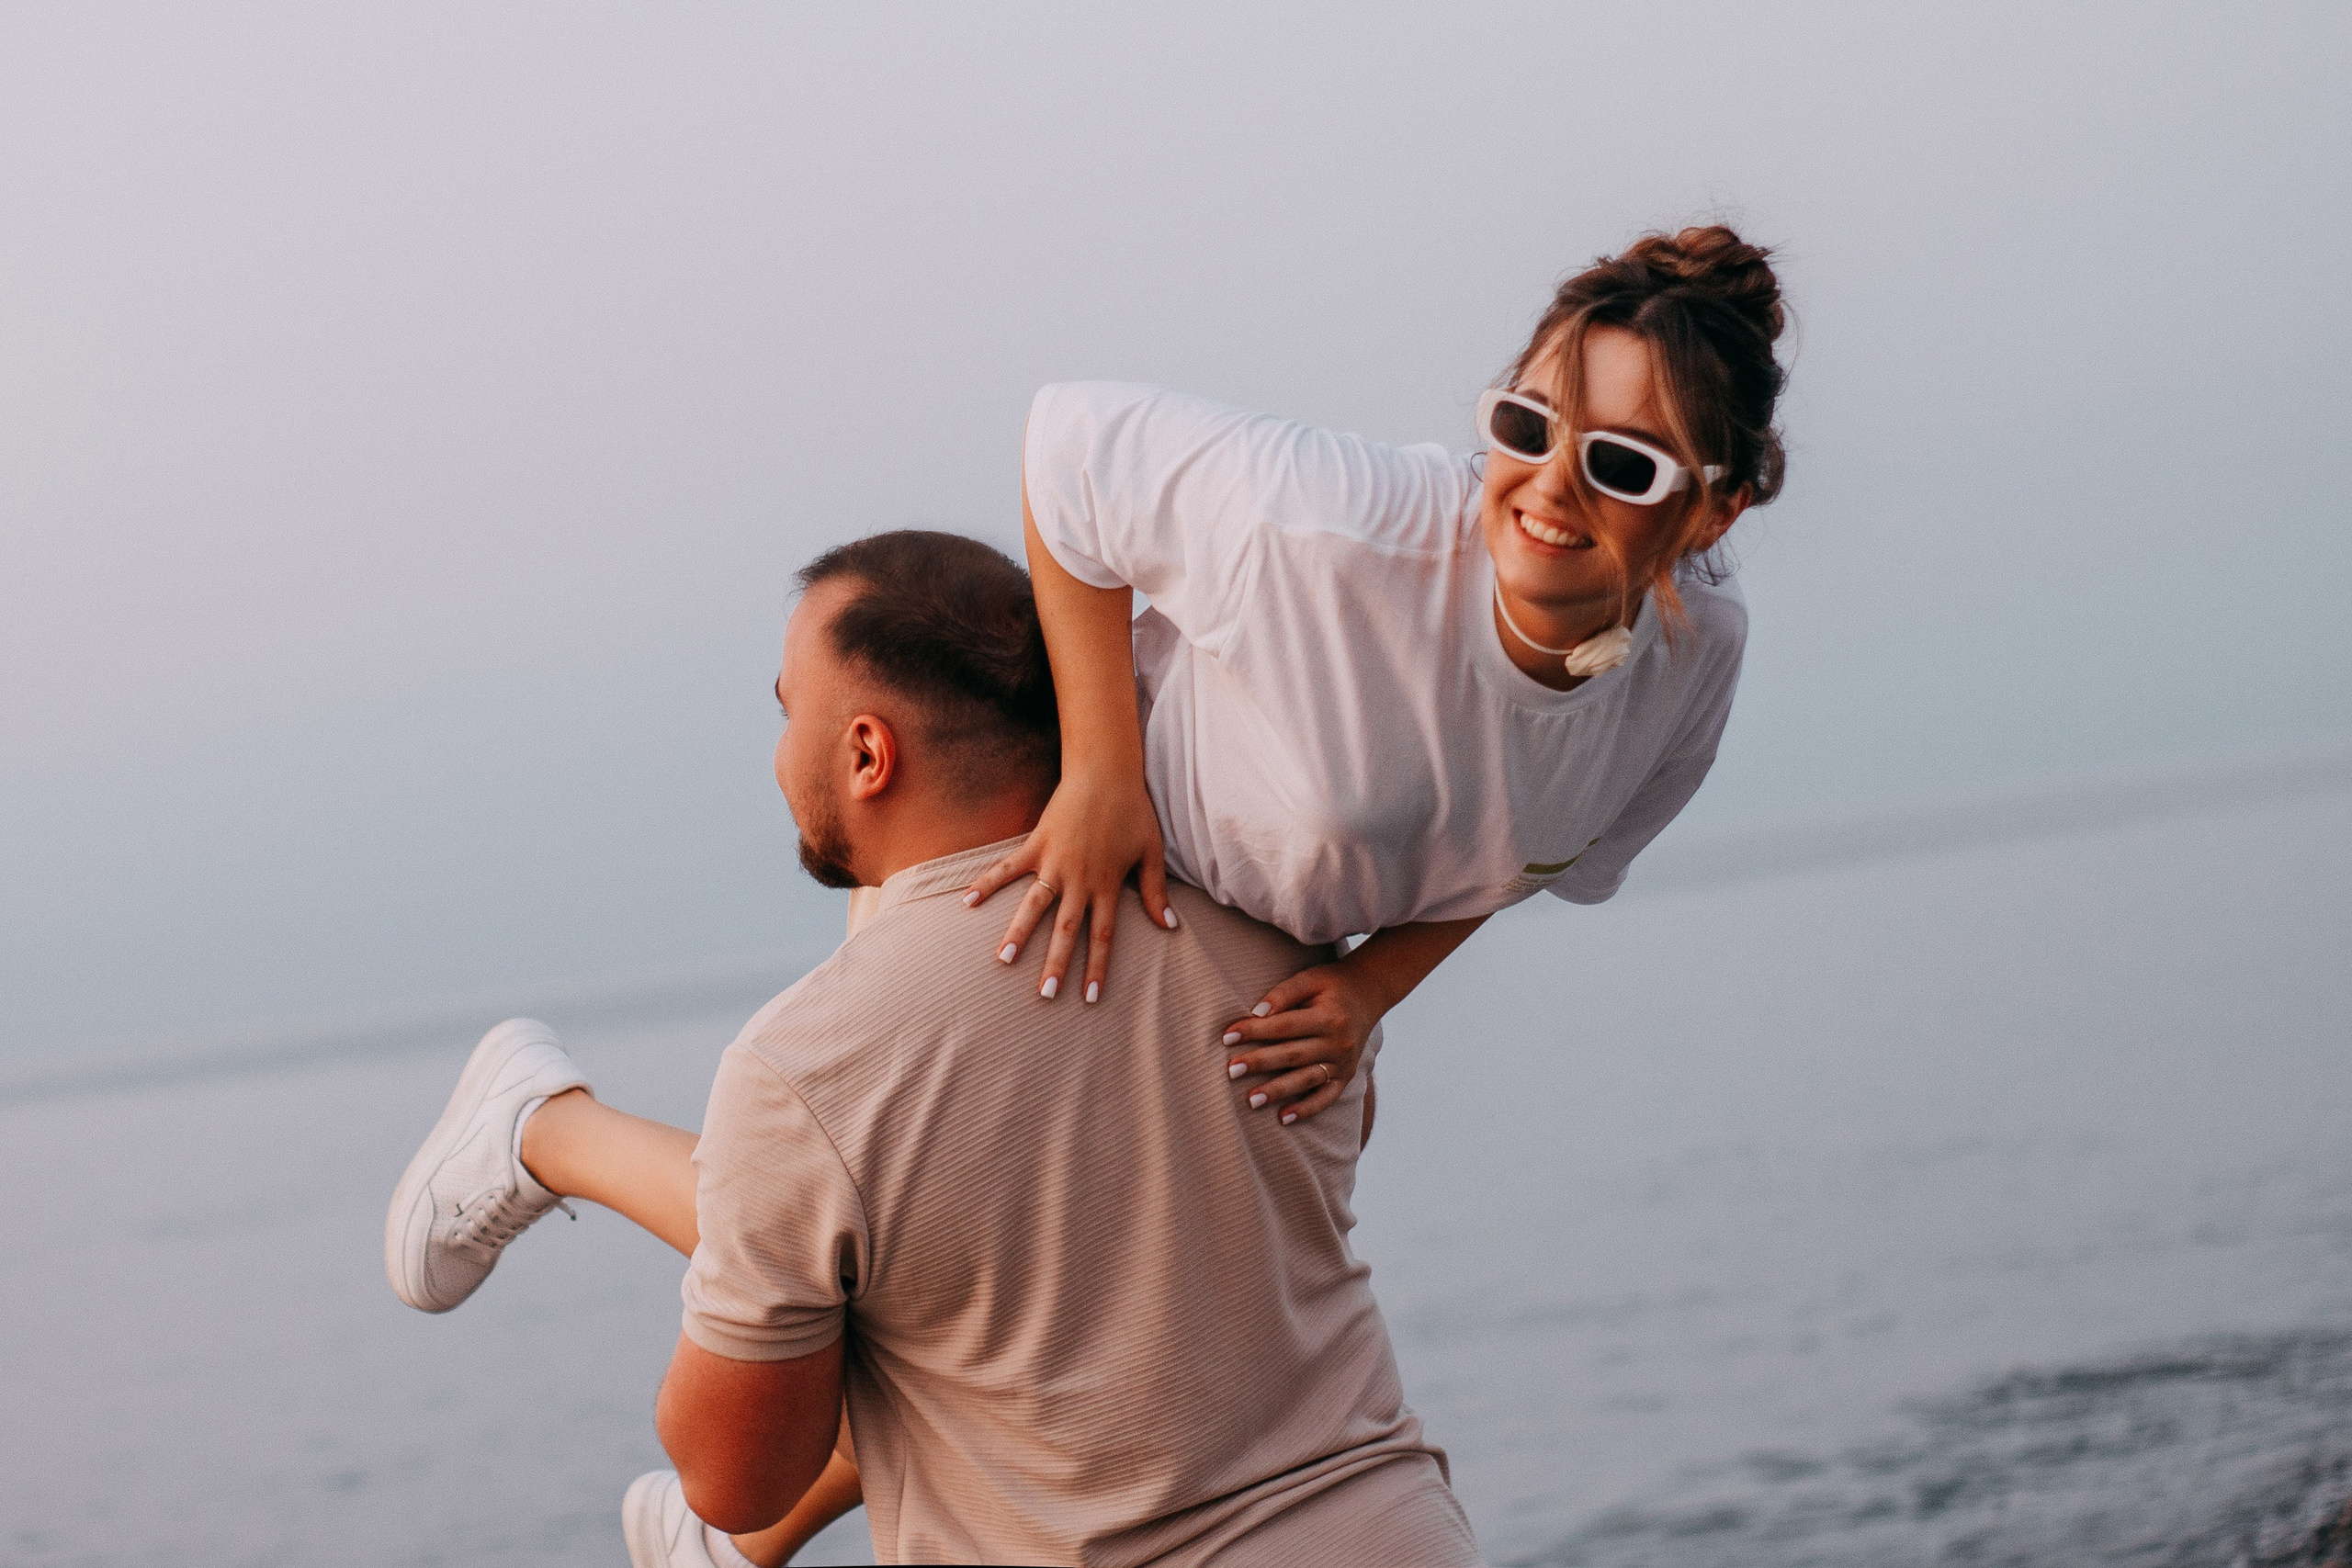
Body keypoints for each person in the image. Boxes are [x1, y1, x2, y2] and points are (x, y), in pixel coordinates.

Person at [384, 532, 1481, 1567]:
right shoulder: (1271, 920)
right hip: (1392, 1532)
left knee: (855, 1273)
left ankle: (548, 1128)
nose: (774, 760)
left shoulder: (804, 1066)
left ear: (867, 751)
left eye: (785, 716)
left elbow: (733, 1477)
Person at [964, 224, 1788, 1123]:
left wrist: (1370, 986)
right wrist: (1097, 776)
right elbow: (1069, 447)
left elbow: (1528, 853)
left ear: (1715, 510)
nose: (1551, 485)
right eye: (1530, 425)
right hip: (1047, 872)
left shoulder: (1695, 654)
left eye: (1621, 465)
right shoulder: (1338, 528)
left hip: (1258, 973)